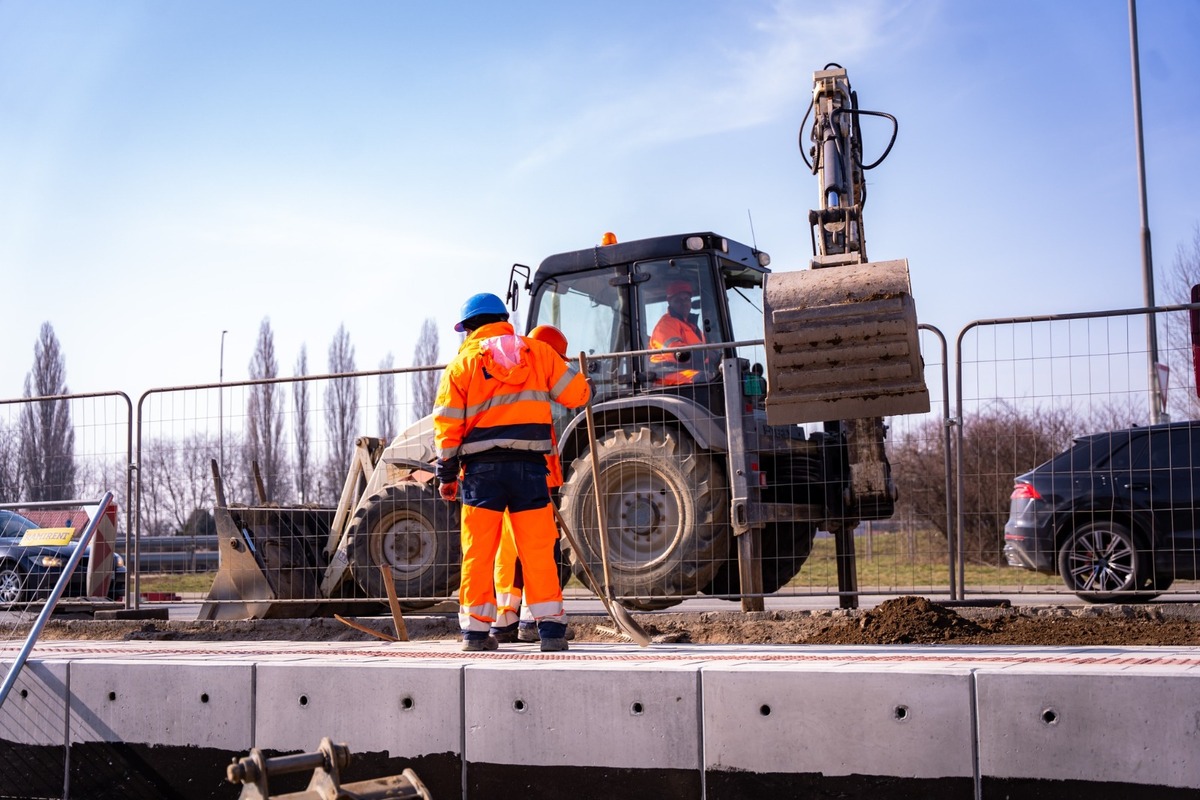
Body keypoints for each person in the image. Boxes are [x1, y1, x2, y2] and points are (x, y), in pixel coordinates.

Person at [433, 294, 590, 652]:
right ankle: (550, 632)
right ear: (504, 319)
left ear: (470, 328)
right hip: (530, 470)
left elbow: (447, 428)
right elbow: (577, 395)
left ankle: (475, 634)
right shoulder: (538, 352)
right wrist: (578, 377)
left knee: (479, 551)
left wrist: (446, 475)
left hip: (481, 473)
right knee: (537, 549)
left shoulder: (462, 365)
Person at [491, 324, 571, 644]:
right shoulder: (531, 385)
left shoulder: (518, 377)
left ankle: (506, 619)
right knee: (536, 549)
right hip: (531, 478)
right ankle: (532, 621)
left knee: (510, 549)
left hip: (517, 476)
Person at [649, 279, 707, 385]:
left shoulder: (692, 326)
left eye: (686, 299)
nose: (684, 303)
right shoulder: (666, 324)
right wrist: (706, 354)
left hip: (686, 371)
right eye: (678, 300)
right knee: (704, 379)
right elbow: (679, 354)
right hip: (667, 374)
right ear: (670, 302)